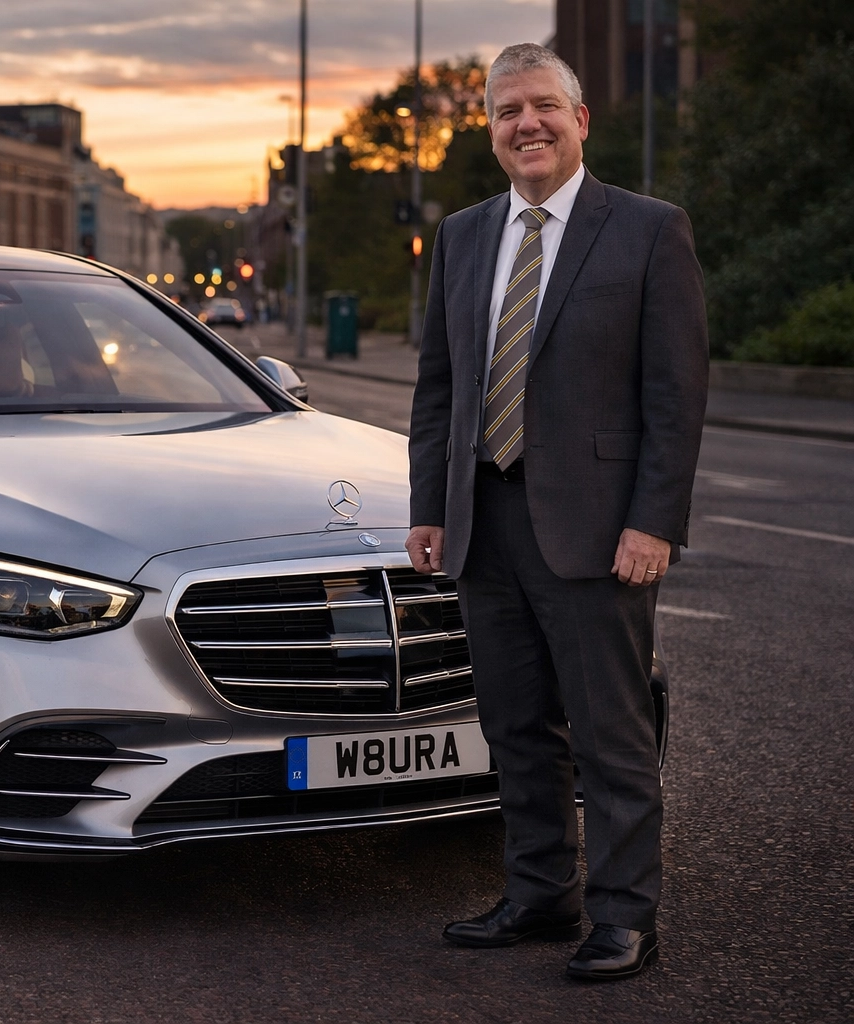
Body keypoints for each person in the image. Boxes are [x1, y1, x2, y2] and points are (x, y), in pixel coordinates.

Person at [407, 43, 708, 981]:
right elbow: (440, 387)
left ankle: (625, 917)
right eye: (507, 112)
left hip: (598, 529)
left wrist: (652, 521)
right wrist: (430, 509)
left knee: (611, 732)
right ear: (491, 132)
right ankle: (540, 895)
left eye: (544, 107)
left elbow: (676, 393)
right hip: (483, 522)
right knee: (515, 727)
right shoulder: (462, 235)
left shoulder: (649, 230)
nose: (526, 124)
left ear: (582, 121)